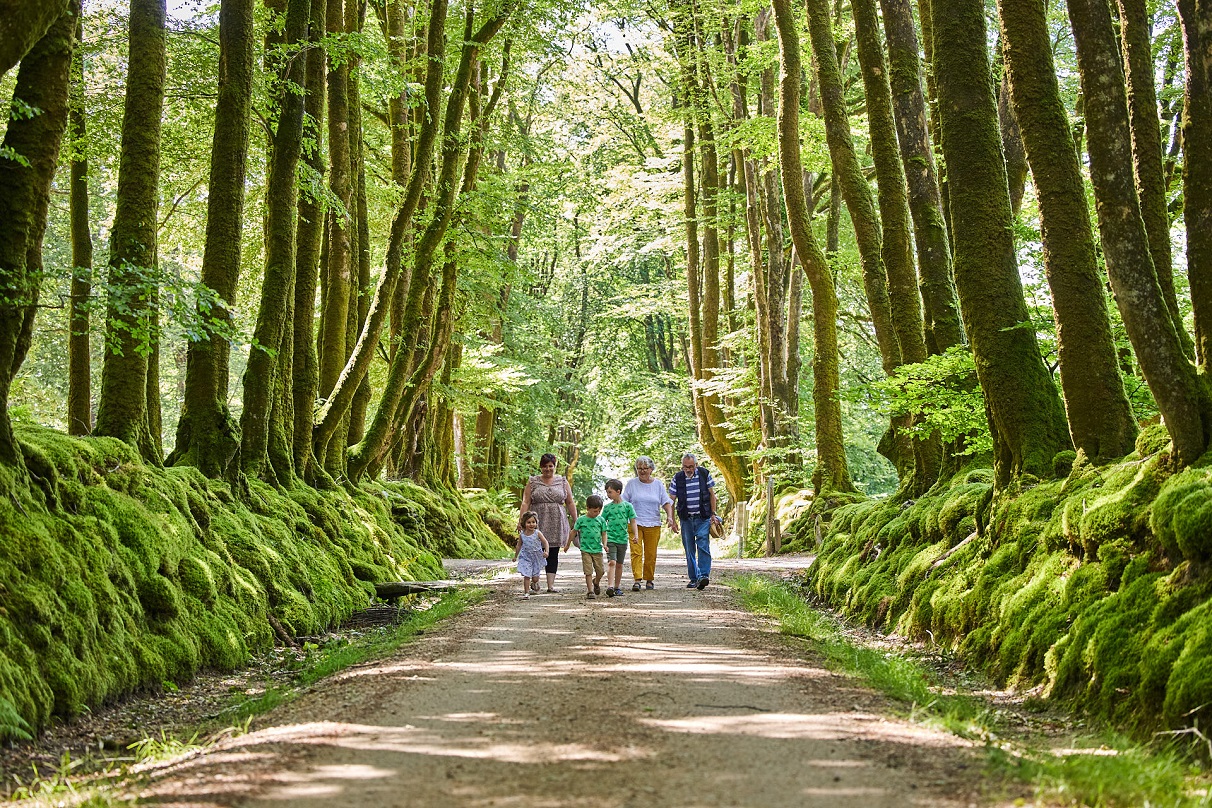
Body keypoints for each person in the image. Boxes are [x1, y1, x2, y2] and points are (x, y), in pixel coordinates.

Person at [519, 453, 578, 593]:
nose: (548, 469)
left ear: (554, 466)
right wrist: (521, 521)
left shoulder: (562, 481)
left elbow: (569, 502)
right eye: (545, 466)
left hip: (557, 521)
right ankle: (535, 579)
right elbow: (526, 502)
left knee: (553, 553)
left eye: (550, 466)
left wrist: (576, 520)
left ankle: (551, 585)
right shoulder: (533, 482)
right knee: (534, 550)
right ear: (540, 467)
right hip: (537, 520)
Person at [668, 453, 720, 590]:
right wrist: (672, 519)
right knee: (689, 549)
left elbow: (712, 495)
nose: (688, 469)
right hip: (686, 519)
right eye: (685, 467)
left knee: (703, 545)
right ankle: (694, 578)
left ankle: (703, 575)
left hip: (703, 517)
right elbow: (671, 501)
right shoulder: (677, 478)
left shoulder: (704, 474)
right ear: (682, 466)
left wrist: (713, 514)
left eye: (691, 466)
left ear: (696, 465)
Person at [622, 456, 674, 590]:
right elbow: (623, 503)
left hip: (653, 523)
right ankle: (637, 580)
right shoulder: (631, 484)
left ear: (651, 469)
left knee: (651, 553)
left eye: (645, 468)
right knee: (636, 552)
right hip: (634, 523)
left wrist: (670, 517)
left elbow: (666, 502)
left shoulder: (658, 485)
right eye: (639, 468)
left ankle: (649, 579)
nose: (642, 471)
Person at [564, 495, 607, 599]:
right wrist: (567, 544)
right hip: (585, 549)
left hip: (597, 549)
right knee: (588, 571)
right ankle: (590, 591)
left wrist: (605, 544)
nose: (597, 513)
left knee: (600, 571)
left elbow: (604, 533)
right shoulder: (581, 520)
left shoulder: (601, 520)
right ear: (588, 508)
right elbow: (573, 532)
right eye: (595, 511)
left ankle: (596, 582)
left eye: (599, 511)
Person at [601, 479, 637, 597]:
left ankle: (617, 587)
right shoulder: (607, 508)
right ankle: (610, 586)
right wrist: (602, 539)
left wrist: (635, 535)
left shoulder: (627, 506)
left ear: (618, 491)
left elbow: (633, 521)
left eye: (610, 492)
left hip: (622, 539)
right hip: (611, 539)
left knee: (620, 564)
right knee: (612, 562)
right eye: (607, 492)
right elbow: (601, 523)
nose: (608, 495)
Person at [514, 511, 549, 599]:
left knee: (535, 578)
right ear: (524, 523)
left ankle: (534, 583)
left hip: (536, 557)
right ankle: (526, 593)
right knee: (527, 575)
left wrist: (546, 551)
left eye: (533, 522)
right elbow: (519, 545)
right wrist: (515, 556)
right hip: (526, 557)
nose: (531, 524)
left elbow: (545, 542)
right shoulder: (522, 535)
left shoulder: (537, 533)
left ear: (536, 523)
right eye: (528, 522)